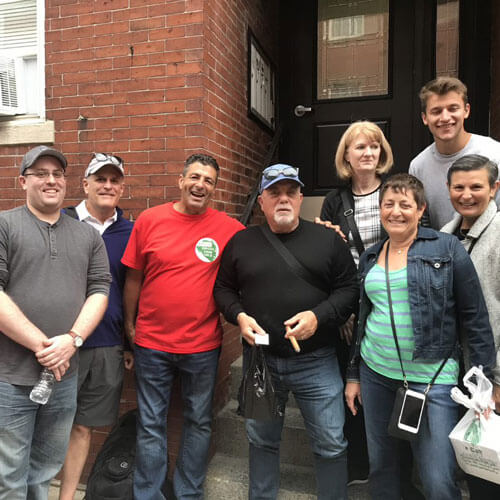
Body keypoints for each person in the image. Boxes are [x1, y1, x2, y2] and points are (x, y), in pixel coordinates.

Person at [345, 173, 496, 500]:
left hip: (433, 381)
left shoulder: (447, 247)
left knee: (438, 477)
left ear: (421, 209)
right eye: (388, 204)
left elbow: (475, 317)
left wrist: (485, 382)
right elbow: (362, 322)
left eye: (405, 204)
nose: (395, 212)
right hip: (377, 375)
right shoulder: (371, 256)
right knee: (382, 467)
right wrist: (354, 374)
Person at [214, 164, 359, 500]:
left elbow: (349, 290)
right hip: (259, 360)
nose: (283, 199)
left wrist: (318, 317)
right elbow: (223, 289)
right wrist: (239, 317)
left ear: (300, 198)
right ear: (262, 201)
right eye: (274, 193)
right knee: (261, 439)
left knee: (330, 442)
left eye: (290, 192)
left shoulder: (327, 240)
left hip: (317, 362)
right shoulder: (241, 242)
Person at [121, 153, 244, 500]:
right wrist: (129, 328)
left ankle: (189, 492)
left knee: (199, 421)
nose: (200, 185)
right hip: (151, 343)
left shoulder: (229, 228)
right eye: (194, 177)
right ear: (181, 180)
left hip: (203, 346)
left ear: (214, 188)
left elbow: (263, 250)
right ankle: (149, 494)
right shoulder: (150, 220)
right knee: (150, 423)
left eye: (208, 180)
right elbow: (133, 278)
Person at [0, 146, 111, 499]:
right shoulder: (4, 225)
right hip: (11, 376)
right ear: (23, 181)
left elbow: (99, 290)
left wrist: (71, 341)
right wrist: (42, 346)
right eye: (41, 173)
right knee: (9, 474)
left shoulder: (87, 236)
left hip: (64, 375)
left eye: (58, 174)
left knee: (44, 469)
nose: (51, 180)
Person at [315, 121, 394, 486]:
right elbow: (330, 258)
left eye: (374, 147)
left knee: (382, 383)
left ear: (382, 153)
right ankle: (357, 463)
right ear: (346, 155)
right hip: (348, 300)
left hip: (389, 300)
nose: (367, 153)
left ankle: (390, 465)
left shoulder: (394, 191)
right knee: (349, 380)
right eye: (359, 147)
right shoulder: (335, 200)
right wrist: (343, 309)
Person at [58, 153, 134, 500]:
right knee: (43, 424)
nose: (107, 186)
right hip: (58, 343)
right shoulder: (60, 222)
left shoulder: (131, 231)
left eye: (114, 180)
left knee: (82, 427)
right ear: (84, 184)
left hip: (106, 344)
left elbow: (134, 290)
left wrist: (130, 342)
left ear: (121, 187)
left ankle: (67, 495)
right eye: (99, 179)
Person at [441, 154, 500, 499]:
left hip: (490, 377)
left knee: (491, 469)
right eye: (458, 187)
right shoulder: (445, 235)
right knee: (476, 461)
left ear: (493, 189)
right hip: (461, 371)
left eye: (476, 186)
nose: (466, 194)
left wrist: (497, 379)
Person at [409, 76, 500, 229]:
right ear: (425, 118)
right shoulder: (418, 167)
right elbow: (422, 224)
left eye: (453, 109)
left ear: (466, 110)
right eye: (436, 111)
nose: (445, 118)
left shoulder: (494, 154)